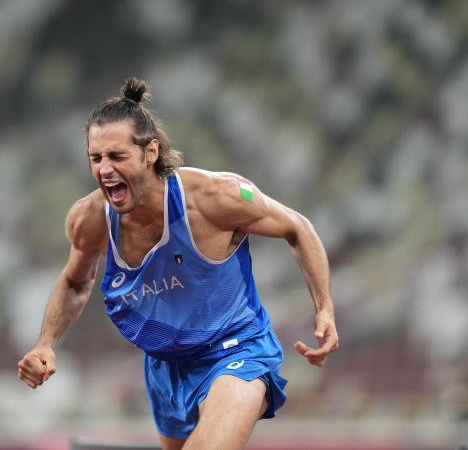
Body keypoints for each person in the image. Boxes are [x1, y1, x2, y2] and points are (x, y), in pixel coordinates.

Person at [18, 77, 339, 449]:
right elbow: (76, 282)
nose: (105, 169)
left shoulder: (214, 198)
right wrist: (45, 343)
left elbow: (298, 228)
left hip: (236, 351)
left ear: (150, 152)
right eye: (96, 158)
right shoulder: (89, 219)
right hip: (164, 367)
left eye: (117, 156)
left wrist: (325, 309)